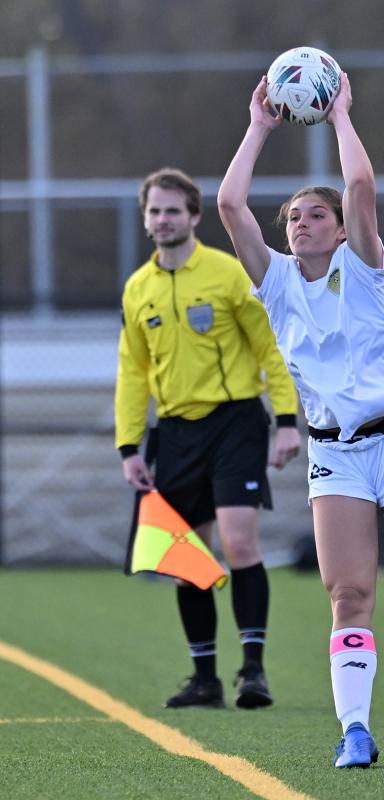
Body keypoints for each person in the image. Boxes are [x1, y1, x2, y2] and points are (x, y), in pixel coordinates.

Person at [217, 73, 384, 767]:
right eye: (295, 218)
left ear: (339, 231)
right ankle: (356, 731)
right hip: (334, 453)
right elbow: (228, 203)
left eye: (316, 215)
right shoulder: (276, 284)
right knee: (348, 592)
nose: (302, 223)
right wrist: (259, 126)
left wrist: (340, 115)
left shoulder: (362, 269)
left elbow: (362, 186)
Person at [115, 167, 301, 710]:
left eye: (174, 210)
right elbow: (132, 371)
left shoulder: (226, 274)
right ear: (146, 219)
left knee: (239, 542)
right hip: (173, 434)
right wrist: (129, 447)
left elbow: (271, 348)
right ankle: (204, 679)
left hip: (235, 424)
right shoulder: (138, 289)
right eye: (155, 210)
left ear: (195, 216)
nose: (164, 219)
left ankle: (253, 671)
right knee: (187, 557)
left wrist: (286, 420)